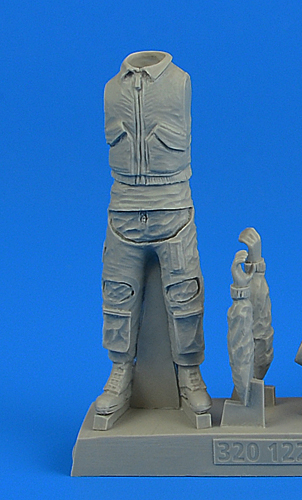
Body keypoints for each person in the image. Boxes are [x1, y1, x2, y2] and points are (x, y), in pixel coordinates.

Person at [94, 51, 211, 418]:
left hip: (173, 210)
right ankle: (120, 371)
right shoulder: (112, 89)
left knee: (185, 295)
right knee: (117, 295)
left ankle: (190, 374)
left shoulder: (179, 81)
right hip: (123, 211)